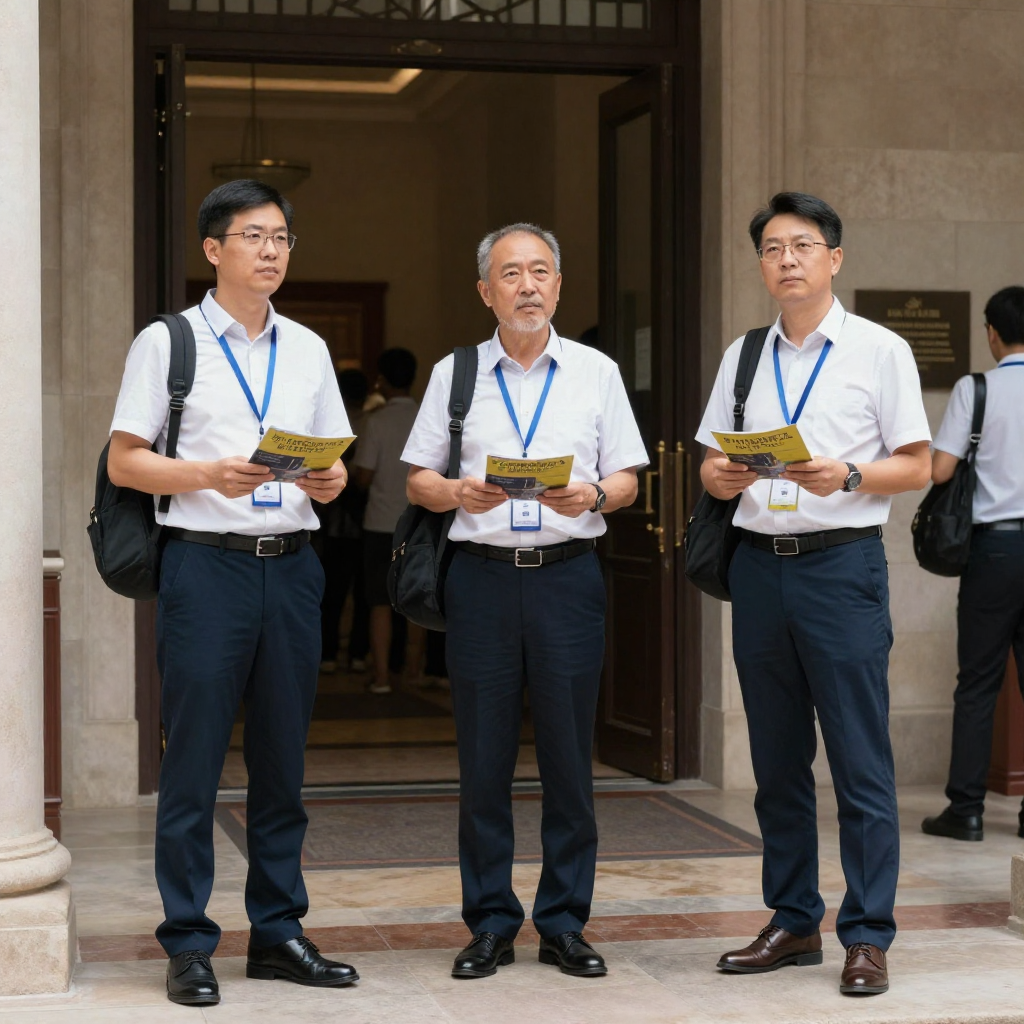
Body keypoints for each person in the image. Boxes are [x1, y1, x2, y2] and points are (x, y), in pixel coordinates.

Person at [107, 179, 359, 1007]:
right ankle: (187, 939)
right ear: (214, 250)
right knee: (196, 763)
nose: (272, 251)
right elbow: (125, 460)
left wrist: (330, 480)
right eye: (254, 236)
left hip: (292, 567)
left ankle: (279, 930)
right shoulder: (167, 343)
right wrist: (206, 473)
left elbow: (338, 459)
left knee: (283, 762)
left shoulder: (310, 349)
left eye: (282, 237)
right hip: (204, 566)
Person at [696, 192, 931, 996]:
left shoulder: (879, 350)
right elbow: (706, 462)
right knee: (777, 760)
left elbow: (921, 463)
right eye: (770, 248)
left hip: (841, 567)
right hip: (760, 568)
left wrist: (851, 474)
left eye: (801, 245)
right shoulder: (745, 355)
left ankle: (867, 934)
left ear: (834, 257)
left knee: (860, 759)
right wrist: (719, 473)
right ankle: (793, 919)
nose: (786, 259)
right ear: (760, 265)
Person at [402, 223, 647, 980]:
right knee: (483, 759)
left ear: (560, 285)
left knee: (571, 760)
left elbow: (630, 478)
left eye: (541, 271)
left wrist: (594, 494)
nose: (529, 286)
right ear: (487, 291)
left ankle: (565, 921)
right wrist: (454, 491)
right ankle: (490, 923)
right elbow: (416, 480)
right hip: (479, 576)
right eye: (511, 274)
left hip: (568, 576)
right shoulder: (457, 373)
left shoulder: (597, 372)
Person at [922, 286, 1024, 843]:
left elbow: (939, 472)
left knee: (979, 680)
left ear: (992, 332)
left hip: (996, 549)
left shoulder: (976, 388)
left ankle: (966, 810)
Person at [352, 347, 421, 695]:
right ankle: (414, 673)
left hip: (380, 522)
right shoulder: (427, 418)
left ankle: (381, 677)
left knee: (379, 601)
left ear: (380, 379)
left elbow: (363, 476)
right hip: (420, 521)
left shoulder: (375, 422)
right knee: (419, 596)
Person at [316, 368, 370, 674]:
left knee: (334, 589)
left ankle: (329, 653)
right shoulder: (370, 422)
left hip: (339, 519)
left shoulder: (345, 424)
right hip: (361, 518)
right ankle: (359, 653)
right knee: (363, 593)